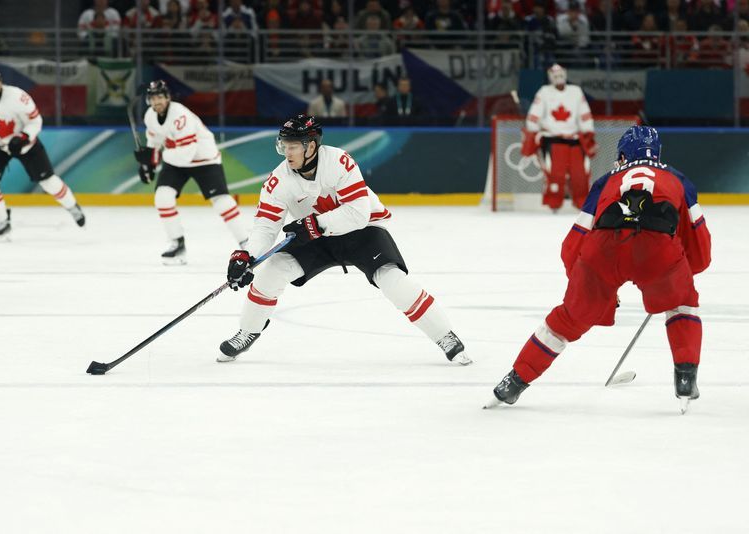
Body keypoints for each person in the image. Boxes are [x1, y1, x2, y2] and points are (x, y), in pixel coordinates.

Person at [486, 126, 711, 413]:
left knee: (568, 319)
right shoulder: (680, 180)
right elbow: (701, 250)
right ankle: (685, 376)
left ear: (622, 155)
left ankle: (514, 382)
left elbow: (573, 244)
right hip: (658, 250)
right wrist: (679, 277)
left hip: (603, 250)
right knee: (682, 306)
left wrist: (588, 284)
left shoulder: (606, 181)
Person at [218, 114, 472, 366]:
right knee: (272, 272)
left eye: (293, 146)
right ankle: (248, 331)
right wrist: (246, 256)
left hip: (360, 231)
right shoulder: (278, 180)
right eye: (284, 146)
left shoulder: (339, 162)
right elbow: (266, 226)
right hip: (316, 237)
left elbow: (358, 213)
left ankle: (445, 336)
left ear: (312, 146)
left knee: (392, 279)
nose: (287, 152)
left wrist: (314, 224)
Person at [0, 67, 85, 240]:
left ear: (0, 82)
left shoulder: (17, 97)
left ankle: (72, 207)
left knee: (49, 183)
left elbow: (36, 121)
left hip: (26, 145)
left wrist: (23, 137)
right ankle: (3, 221)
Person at [133, 80, 249, 265]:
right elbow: (154, 141)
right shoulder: (150, 116)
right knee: (162, 197)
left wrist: (157, 158)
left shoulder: (180, 115)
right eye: (153, 98)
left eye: (160, 97)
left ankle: (247, 243)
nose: (157, 102)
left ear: (168, 97)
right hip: (176, 158)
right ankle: (177, 245)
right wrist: (148, 164)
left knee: (222, 202)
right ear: (149, 101)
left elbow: (186, 154)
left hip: (203, 158)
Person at [521, 63, 597, 211]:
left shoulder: (575, 92)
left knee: (580, 174)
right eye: (555, 76)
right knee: (555, 173)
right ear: (550, 77)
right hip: (552, 138)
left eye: (561, 75)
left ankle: (583, 204)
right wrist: (533, 131)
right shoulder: (544, 92)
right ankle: (553, 203)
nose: (559, 78)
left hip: (575, 139)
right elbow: (534, 115)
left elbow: (585, 114)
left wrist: (588, 132)